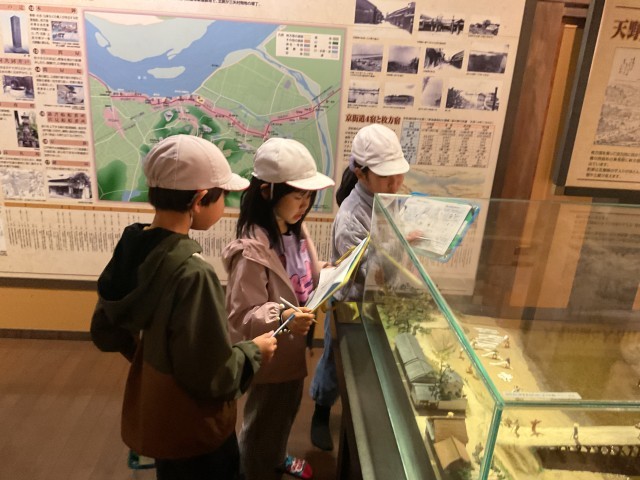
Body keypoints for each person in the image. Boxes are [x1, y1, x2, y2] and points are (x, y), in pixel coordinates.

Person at [90, 134, 278, 480]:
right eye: (222, 196)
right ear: (200, 199)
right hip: (198, 435)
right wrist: (255, 350)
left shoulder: (134, 248)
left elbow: (104, 331)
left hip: (160, 417)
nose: (226, 205)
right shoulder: (193, 274)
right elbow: (215, 376)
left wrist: (152, 355)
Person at [222, 137, 334, 480]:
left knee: (283, 412)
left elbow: (301, 277)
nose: (305, 204)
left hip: (294, 348)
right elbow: (241, 315)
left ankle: (274, 456)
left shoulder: (294, 229)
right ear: (267, 192)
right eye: (297, 196)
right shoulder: (252, 250)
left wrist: (329, 273)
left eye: (308, 196)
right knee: (262, 420)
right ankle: (255, 469)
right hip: (270, 355)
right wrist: (282, 315)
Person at [309, 123, 410, 451]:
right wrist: (402, 244)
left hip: (382, 301)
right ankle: (321, 411)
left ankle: (363, 415)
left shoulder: (391, 197)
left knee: (369, 364)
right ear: (360, 173)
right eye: (386, 176)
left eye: (398, 174)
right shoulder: (351, 217)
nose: (395, 183)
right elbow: (367, 272)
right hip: (350, 303)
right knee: (334, 360)